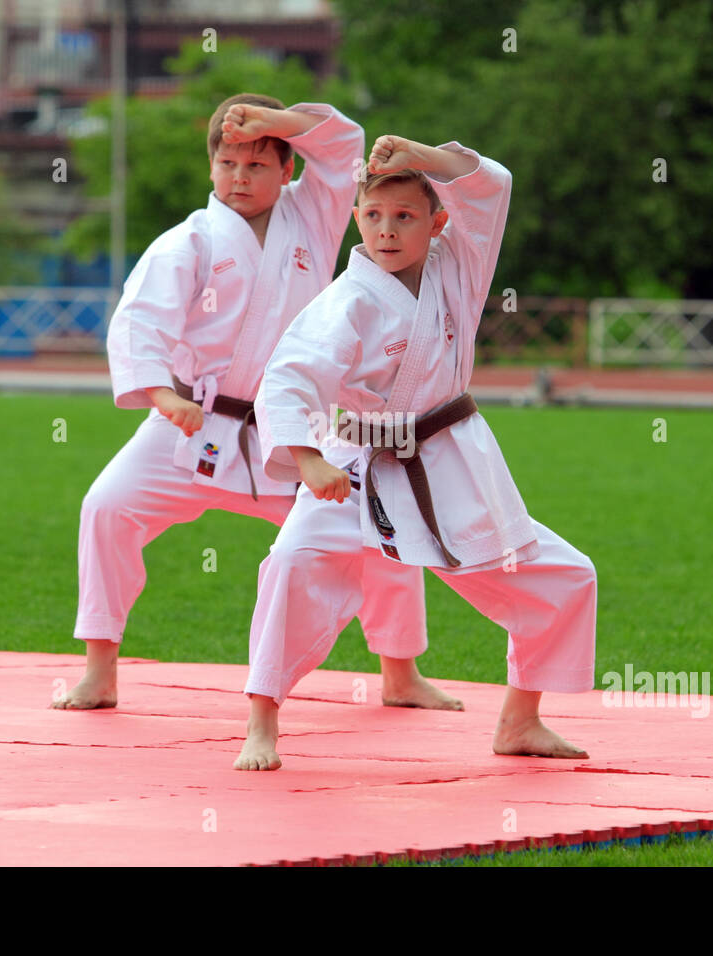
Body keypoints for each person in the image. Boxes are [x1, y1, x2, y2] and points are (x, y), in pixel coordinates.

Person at [54, 97, 459, 713]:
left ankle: (400, 673)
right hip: (194, 419)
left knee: (382, 526)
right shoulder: (188, 241)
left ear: (287, 169)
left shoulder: (316, 215)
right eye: (227, 163)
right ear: (211, 168)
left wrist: (274, 122)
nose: (240, 177)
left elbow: (345, 141)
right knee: (106, 507)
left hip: (292, 428)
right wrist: (163, 395)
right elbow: (142, 322)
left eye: (257, 164)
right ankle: (99, 669)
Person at [235, 134, 597, 770]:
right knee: (290, 563)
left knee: (566, 576)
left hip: (448, 457)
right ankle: (261, 722)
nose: (387, 230)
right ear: (356, 219)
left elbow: (495, 181)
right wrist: (310, 461)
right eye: (373, 216)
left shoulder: (460, 264)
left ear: (438, 223)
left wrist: (423, 157)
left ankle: (521, 720)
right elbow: (290, 376)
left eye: (405, 217)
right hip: (355, 463)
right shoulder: (347, 301)